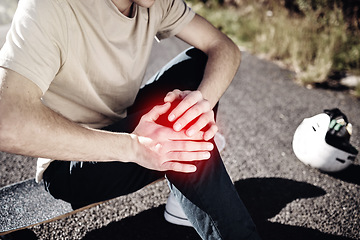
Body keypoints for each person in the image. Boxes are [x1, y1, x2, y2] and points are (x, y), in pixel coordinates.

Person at [0, 0, 261, 239]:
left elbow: (224, 47)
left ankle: (187, 191)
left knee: (196, 74)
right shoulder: (50, 6)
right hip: (71, 166)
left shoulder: (156, 2)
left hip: (126, 122)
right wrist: (135, 146)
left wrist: (200, 103)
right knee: (171, 122)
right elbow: (6, 123)